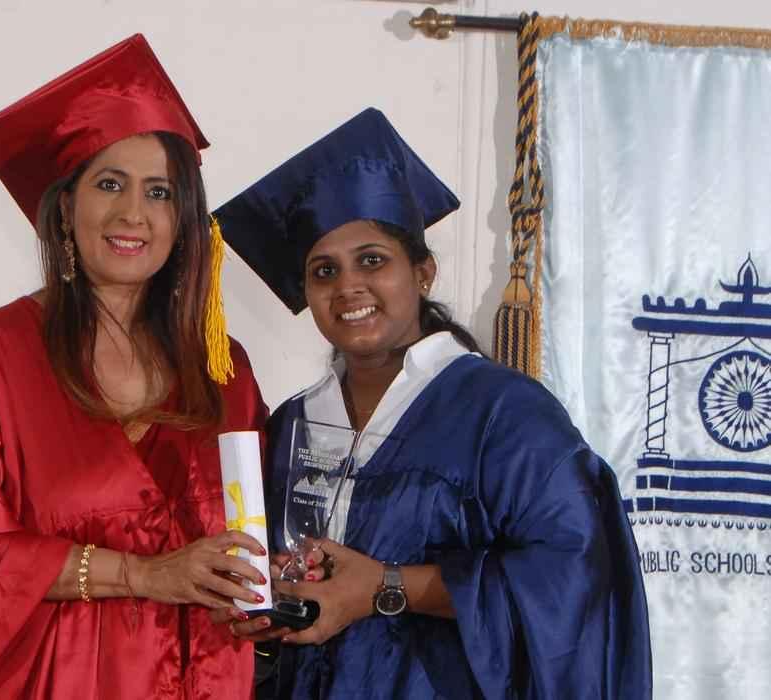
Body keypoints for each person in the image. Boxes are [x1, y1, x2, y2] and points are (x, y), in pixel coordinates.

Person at [0, 35, 270, 699]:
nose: (133, 213)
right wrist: (142, 574)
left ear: (183, 220)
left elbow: (252, 539)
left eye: (160, 192)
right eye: (109, 184)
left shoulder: (222, 368)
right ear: (65, 207)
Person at [210, 108, 652, 699]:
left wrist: (386, 586)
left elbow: (577, 576)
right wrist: (268, 602)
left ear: (423, 272)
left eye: (372, 260)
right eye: (324, 271)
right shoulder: (295, 423)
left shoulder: (503, 414)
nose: (348, 287)